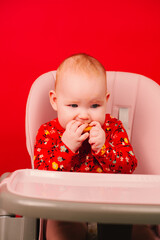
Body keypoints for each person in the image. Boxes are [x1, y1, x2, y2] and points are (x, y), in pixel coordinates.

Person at [34, 53, 137, 240]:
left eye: (95, 105)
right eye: (73, 105)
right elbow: (41, 177)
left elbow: (129, 166)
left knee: (131, 226)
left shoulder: (113, 129)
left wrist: (104, 148)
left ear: (106, 100)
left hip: (110, 208)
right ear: (55, 101)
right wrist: (66, 146)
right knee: (58, 231)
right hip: (66, 210)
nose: (83, 115)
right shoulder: (48, 132)